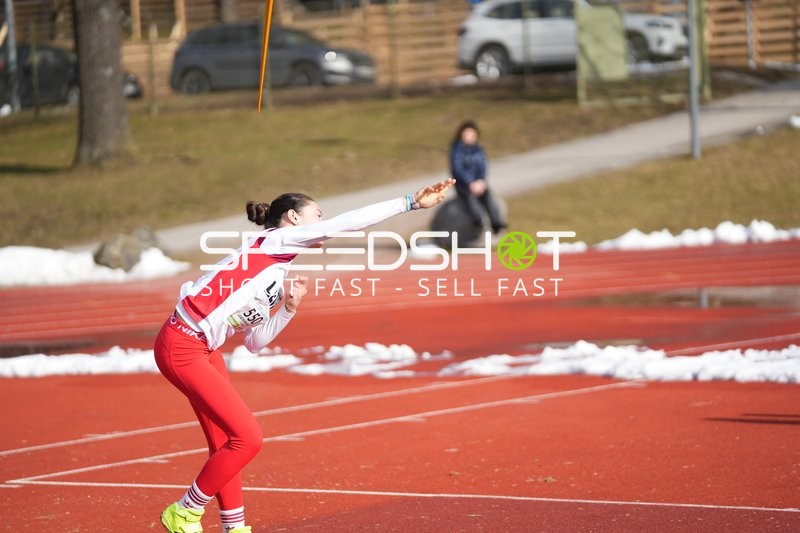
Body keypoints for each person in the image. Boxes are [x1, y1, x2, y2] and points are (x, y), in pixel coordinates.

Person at [155, 178, 454, 533]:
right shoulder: (275, 240)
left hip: (206, 350)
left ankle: (234, 528)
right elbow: (347, 223)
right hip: (182, 344)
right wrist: (409, 202)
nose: (323, 221)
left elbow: (253, 342)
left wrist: (288, 309)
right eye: (318, 214)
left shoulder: (274, 272)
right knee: (249, 438)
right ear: (294, 218)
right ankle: (185, 511)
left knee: (226, 444)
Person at [449, 120, 506, 236]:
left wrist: (481, 181)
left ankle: (496, 223)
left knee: (488, 197)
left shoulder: (478, 149)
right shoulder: (456, 150)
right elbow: (458, 169)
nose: (469, 137)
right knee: (471, 200)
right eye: (467, 134)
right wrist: (470, 183)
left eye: (472, 134)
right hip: (463, 185)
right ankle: (477, 222)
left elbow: (482, 166)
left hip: (478, 183)